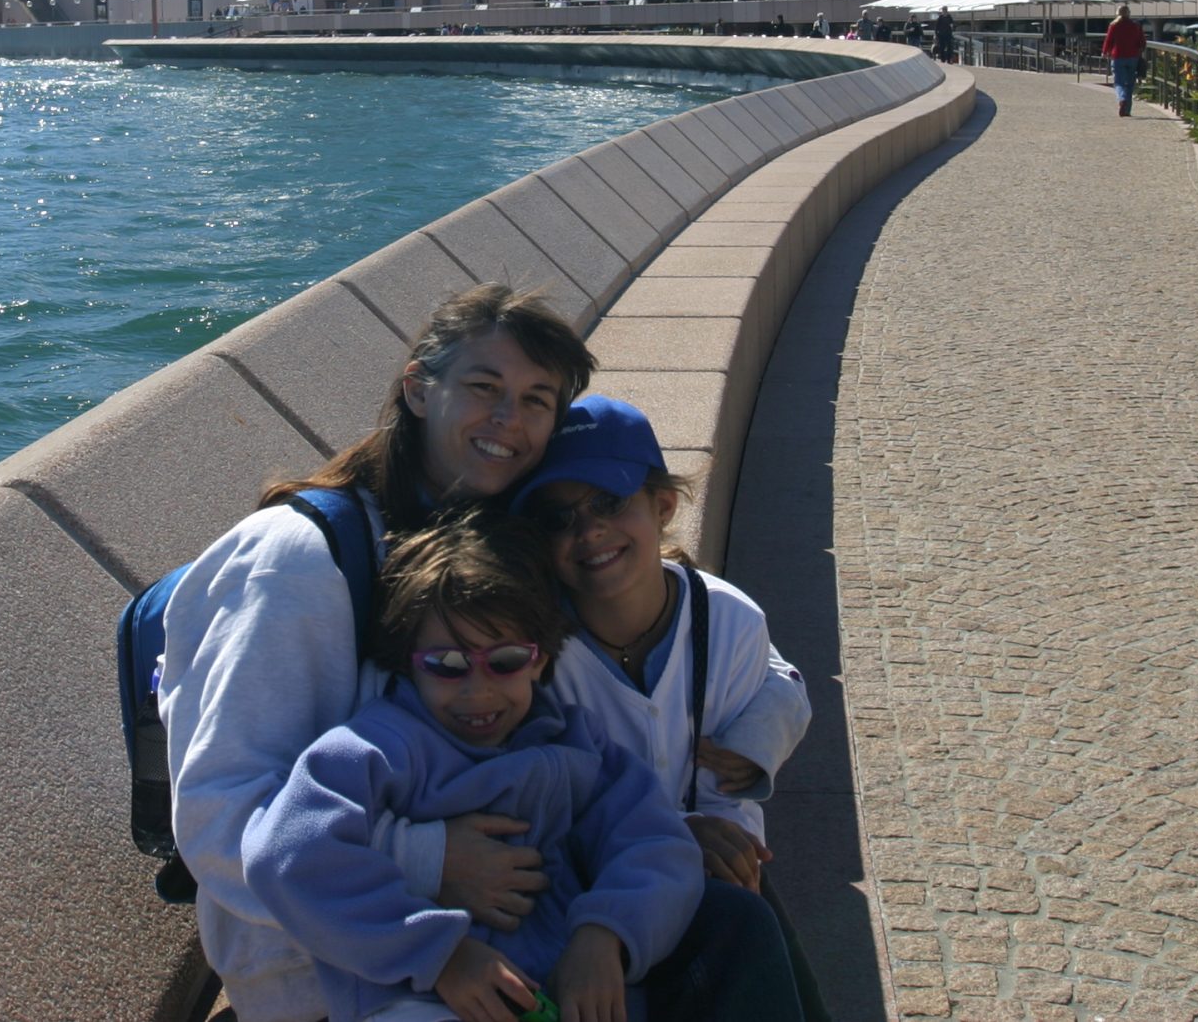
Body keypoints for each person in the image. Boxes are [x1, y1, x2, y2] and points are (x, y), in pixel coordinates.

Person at [161, 285, 596, 1022]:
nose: (507, 421)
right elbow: (216, 821)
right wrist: (430, 860)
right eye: (484, 387)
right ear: (419, 388)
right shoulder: (297, 564)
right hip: (321, 982)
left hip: (488, 946)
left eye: (535, 400)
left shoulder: (483, 548)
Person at [245, 511, 706, 1022]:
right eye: (447, 665)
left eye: (505, 660)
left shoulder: (575, 743)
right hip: (420, 999)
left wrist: (605, 935)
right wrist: (439, 953)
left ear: (541, 658)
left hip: (558, 991)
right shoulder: (378, 747)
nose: (477, 690)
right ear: (407, 660)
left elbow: (657, 842)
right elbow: (286, 853)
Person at [518, 397, 822, 1020]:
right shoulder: (533, 650)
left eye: (609, 503)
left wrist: (708, 837)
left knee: (739, 904)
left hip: (708, 882)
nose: (589, 531)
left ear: (662, 506)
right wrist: (678, 837)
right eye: (558, 518)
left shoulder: (729, 621)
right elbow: (545, 804)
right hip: (585, 889)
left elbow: (725, 799)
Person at [1103, 3, 1147, 117]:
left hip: (1118, 56)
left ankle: (1122, 99)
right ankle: (1127, 110)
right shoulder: (1136, 25)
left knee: (1119, 82)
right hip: (1133, 57)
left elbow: (1109, 40)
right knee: (1130, 83)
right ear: (1129, 13)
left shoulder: (1113, 25)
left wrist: (1105, 52)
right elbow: (1142, 42)